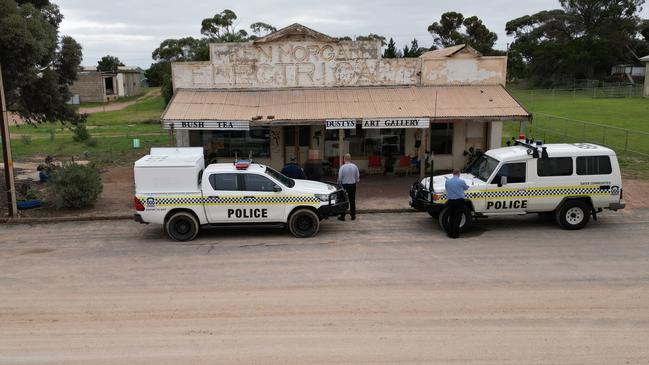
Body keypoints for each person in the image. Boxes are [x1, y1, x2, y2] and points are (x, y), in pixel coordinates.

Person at [444, 168, 469, 239]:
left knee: (451, 217)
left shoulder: (447, 181)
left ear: (453, 173)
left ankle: (450, 233)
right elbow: (466, 188)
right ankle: (455, 234)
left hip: (450, 201)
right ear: (459, 173)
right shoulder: (461, 181)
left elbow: (446, 188)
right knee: (457, 218)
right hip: (459, 201)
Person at [337, 153, 360, 221]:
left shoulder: (342, 167)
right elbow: (357, 177)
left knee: (344, 200)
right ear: (350, 159)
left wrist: (339, 184)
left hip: (345, 185)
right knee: (352, 200)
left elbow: (340, 178)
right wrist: (355, 181)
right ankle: (353, 216)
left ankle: (342, 216)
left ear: (344, 159)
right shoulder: (355, 166)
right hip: (353, 185)